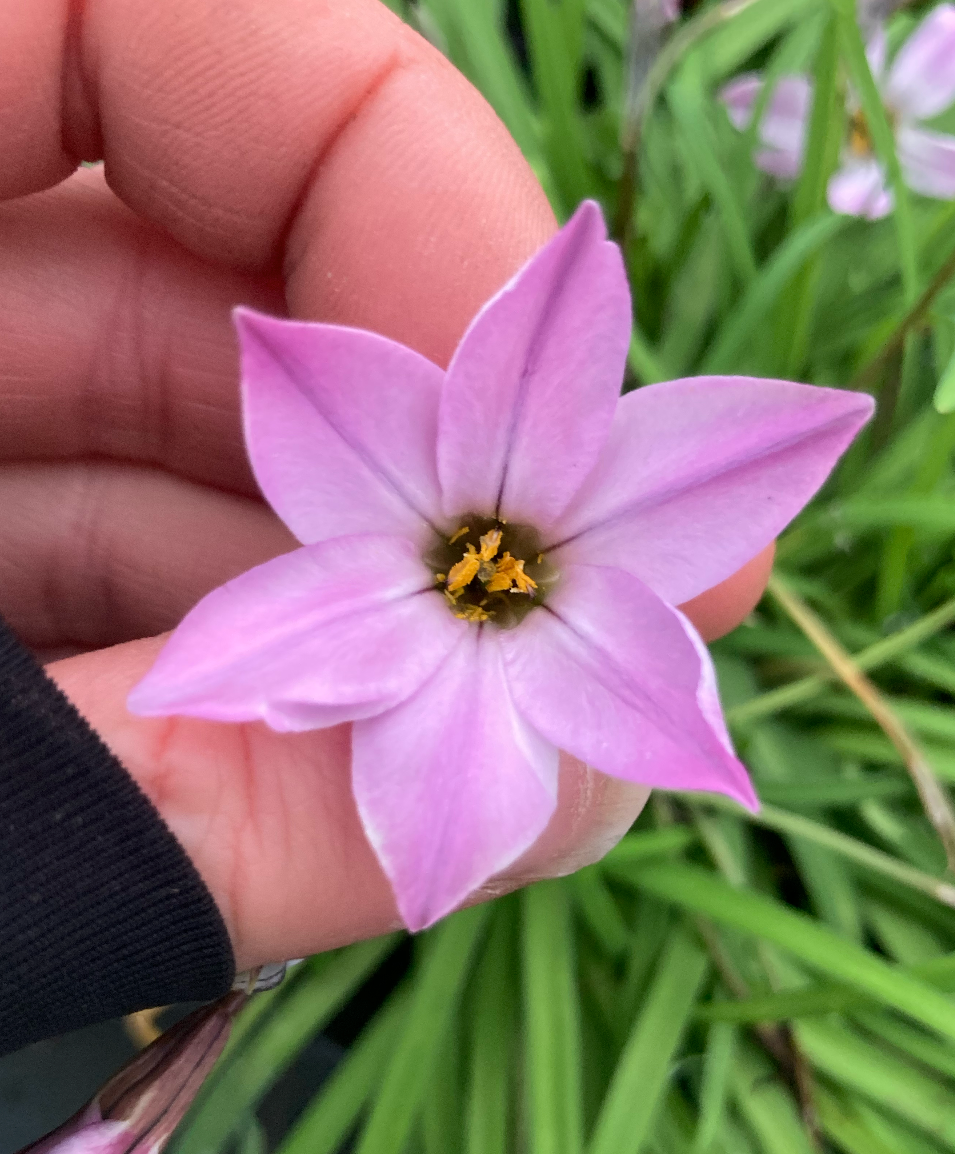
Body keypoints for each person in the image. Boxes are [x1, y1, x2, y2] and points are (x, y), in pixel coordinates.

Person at [0, 0, 773, 1055]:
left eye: (495, 573)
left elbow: (673, 692)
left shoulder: (511, 562)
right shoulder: (445, 532)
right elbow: (309, 385)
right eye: (485, 568)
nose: (491, 571)